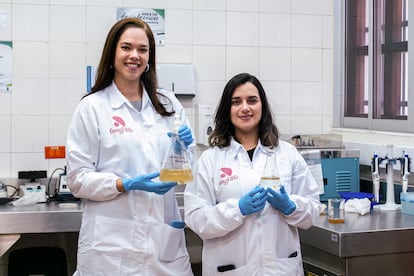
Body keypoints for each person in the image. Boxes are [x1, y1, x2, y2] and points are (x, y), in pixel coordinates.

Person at [66, 17, 194, 275]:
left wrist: (185, 149)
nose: (134, 55)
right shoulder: (92, 107)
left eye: (142, 50)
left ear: (149, 58)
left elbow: (184, 168)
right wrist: (123, 184)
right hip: (112, 248)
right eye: (126, 47)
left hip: (162, 244)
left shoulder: (167, 104)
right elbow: (77, 179)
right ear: (112, 53)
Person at [184, 73, 321, 275]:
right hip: (231, 269)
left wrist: (291, 207)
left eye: (252, 100)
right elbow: (196, 218)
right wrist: (237, 209)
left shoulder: (286, 153)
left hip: (280, 269)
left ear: (262, 107)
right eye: (236, 102)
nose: (245, 108)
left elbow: (313, 209)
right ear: (227, 110)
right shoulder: (211, 159)